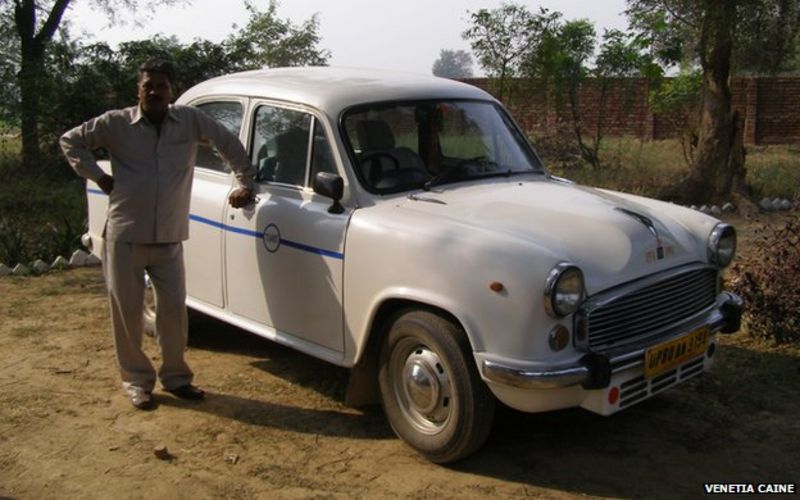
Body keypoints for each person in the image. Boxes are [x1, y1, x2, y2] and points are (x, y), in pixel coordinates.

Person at [60, 59, 255, 410]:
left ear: (171, 90)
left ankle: (177, 379)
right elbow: (71, 141)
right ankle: (136, 381)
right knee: (127, 313)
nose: (154, 92)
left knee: (173, 313)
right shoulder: (116, 124)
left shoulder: (190, 121)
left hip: (169, 237)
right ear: (139, 89)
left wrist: (244, 181)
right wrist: (98, 177)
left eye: (161, 86)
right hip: (125, 235)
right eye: (148, 85)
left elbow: (228, 142)